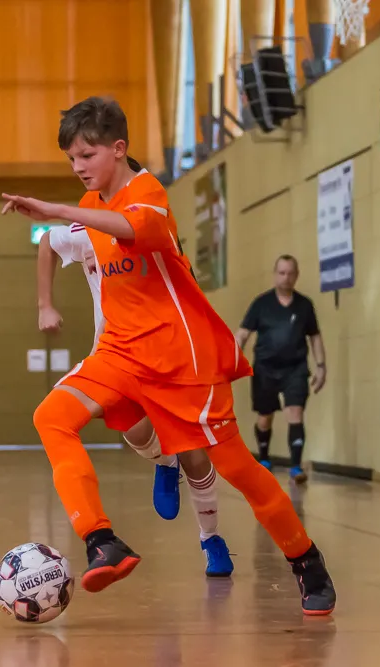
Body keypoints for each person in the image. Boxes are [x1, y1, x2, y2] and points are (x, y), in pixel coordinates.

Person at [0, 96, 335, 616]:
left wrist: (55, 211)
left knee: (237, 468)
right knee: (52, 418)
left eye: (87, 155)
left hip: (181, 359)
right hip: (120, 353)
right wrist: (47, 287)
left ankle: (305, 559)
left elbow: (134, 229)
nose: (78, 167)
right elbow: (61, 238)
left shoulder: (148, 193)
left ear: (118, 148)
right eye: (71, 159)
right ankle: (101, 541)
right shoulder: (89, 205)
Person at [36, 214, 234, 577]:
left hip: (170, 359)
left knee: (194, 455)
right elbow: (48, 239)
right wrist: (44, 304)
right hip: (115, 358)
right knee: (135, 432)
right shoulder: (90, 229)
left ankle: (211, 539)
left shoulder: (155, 233)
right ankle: (164, 462)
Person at [235, 256, 326, 483]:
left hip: (295, 368)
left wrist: (321, 366)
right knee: (265, 417)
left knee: (295, 412)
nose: (286, 278)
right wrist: (233, 359)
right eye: (282, 273)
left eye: (290, 273)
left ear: (297, 275)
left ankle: (296, 466)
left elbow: (315, 337)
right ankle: (264, 458)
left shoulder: (305, 306)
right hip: (265, 368)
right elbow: (243, 333)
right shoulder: (261, 304)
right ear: (275, 274)